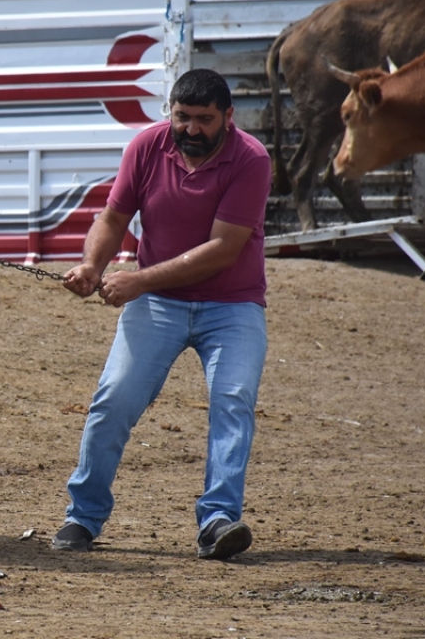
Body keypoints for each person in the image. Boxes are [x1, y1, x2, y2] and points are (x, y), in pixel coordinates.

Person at [52, 68, 271, 561]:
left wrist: (138, 281)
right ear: (169, 111)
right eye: (183, 116)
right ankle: (82, 517)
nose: (192, 129)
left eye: (205, 120)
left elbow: (223, 249)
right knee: (113, 399)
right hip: (158, 304)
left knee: (233, 398)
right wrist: (92, 266)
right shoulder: (146, 147)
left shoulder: (251, 159)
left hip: (233, 304)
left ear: (228, 117)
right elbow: (113, 218)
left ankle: (218, 520)